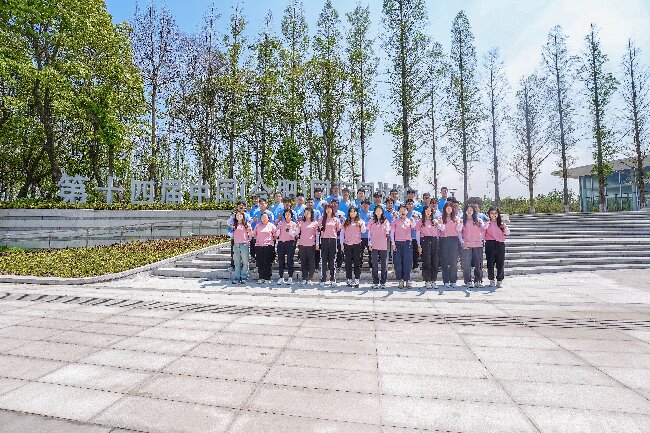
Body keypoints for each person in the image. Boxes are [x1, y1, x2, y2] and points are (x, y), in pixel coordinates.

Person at [416, 206, 444, 289]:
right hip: (425, 240)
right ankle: (427, 280)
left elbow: (442, 229)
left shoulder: (434, 221)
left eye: (430, 211)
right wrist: (419, 245)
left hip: (434, 240)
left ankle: (433, 280)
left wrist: (441, 223)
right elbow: (417, 234)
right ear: (424, 211)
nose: (428, 212)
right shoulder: (420, 222)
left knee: (435, 261)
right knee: (427, 261)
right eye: (427, 211)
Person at [459, 204, 487, 288]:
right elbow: (459, 232)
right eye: (467, 210)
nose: (469, 211)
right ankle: (468, 281)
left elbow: (484, 227)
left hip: (478, 244)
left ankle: (478, 280)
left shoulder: (478, 220)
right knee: (466, 264)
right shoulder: (462, 220)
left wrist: (488, 221)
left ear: (473, 211)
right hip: (466, 244)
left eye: (471, 210)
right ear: (465, 211)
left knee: (478, 264)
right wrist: (462, 243)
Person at [340, 206, 367, 288]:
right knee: (348, 262)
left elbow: (364, 231)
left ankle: (357, 279)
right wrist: (341, 244)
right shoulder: (345, 221)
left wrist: (362, 224)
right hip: (347, 244)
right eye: (351, 211)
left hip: (357, 244)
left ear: (357, 213)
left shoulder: (360, 221)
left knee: (357, 262)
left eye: (354, 211)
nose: (352, 213)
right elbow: (342, 233)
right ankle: (349, 279)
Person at [391, 205, 416, 288]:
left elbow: (414, 227)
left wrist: (413, 221)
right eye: (401, 210)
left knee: (407, 262)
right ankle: (400, 280)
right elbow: (392, 233)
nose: (403, 212)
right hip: (398, 243)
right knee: (398, 262)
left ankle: (407, 280)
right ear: (398, 212)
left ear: (407, 212)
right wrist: (393, 243)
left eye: (404, 210)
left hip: (407, 243)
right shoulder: (395, 221)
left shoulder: (409, 220)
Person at [485, 206, 510, 288]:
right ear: (489, 214)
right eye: (492, 213)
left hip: (500, 244)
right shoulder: (487, 222)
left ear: (498, 214)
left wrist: (505, 226)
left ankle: (499, 280)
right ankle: (491, 280)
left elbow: (508, 233)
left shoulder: (501, 223)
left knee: (500, 263)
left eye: (495, 213)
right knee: (490, 263)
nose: (494, 215)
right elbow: (483, 229)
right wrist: (487, 222)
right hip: (490, 244)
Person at [439, 202, 462, 288]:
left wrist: (460, 223)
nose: (449, 209)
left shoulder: (456, 218)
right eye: (447, 208)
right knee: (444, 261)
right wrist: (441, 223)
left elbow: (458, 230)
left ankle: (453, 281)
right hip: (444, 240)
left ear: (453, 209)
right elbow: (442, 229)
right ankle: (446, 281)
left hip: (454, 240)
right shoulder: (441, 218)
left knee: (453, 261)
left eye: (450, 208)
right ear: (444, 209)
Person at [367, 205, 390, 289]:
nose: (378, 212)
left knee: (384, 264)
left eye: (380, 210)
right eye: (377, 210)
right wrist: (369, 243)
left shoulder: (385, 221)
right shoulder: (371, 221)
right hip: (374, 244)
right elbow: (369, 233)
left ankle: (383, 282)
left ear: (382, 211)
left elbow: (388, 231)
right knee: (374, 264)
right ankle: (375, 282)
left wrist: (386, 228)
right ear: (374, 212)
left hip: (383, 245)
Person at [319, 204, 341, 286]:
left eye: (330, 209)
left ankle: (332, 278)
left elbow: (339, 230)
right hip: (324, 240)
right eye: (327, 209)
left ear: (332, 210)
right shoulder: (322, 219)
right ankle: (323, 278)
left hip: (332, 240)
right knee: (324, 259)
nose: (328, 210)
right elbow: (319, 230)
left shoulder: (335, 219)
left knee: (332, 259)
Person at [275, 209, 299, 285]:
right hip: (281, 243)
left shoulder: (294, 224)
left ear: (291, 215)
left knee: (290, 260)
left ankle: (290, 277)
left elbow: (294, 235)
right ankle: (281, 277)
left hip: (290, 243)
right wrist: (279, 228)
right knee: (281, 260)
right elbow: (277, 234)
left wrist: (290, 229)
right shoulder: (281, 223)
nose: (287, 216)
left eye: (289, 214)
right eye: (286, 214)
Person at [296, 207, 319, 286]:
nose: (306, 214)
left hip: (311, 245)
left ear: (311, 213)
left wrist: (317, 244)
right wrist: (297, 227)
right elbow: (296, 233)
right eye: (305, 212)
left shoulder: (315, 223)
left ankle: (310, 278)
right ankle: (304, 278)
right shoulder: (301, 222)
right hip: (302, 244)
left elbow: (317, 234)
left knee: (311, 262)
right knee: (303, 262)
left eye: (308, 212)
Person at [252, 212, 276, 284]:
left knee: (267, 262)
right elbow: (253, 234)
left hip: (268, 246)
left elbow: (275, 236)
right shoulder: (257, 226)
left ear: (268, 218)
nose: (264, 219)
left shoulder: (272, 226)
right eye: (262, 217)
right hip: (259, 246)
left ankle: (267, 278)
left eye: (265, 217)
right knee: (260, 262)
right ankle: (261, 277)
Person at [230, 210, 253, 284]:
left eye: (240, 215)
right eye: (237, 215)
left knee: (245, 262)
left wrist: (250, 232)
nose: (239, 216)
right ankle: (237, 277)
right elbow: (230, 234)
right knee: (237, 262)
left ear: (243, 216)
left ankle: (244, 277)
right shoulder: (234, 225)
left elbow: (251, 234)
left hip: (244, 244)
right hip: (236, 244)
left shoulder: (246, 224)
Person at [227, 201, 251, 269]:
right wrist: (232, 226)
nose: (241, 207)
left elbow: (249, 223)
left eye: (242, 205)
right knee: (234, 253)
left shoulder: (247, 215)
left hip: (244, 239)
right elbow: (228, 222)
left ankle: (243, 268)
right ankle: (233, 266)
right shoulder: (234, 215)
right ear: (237, 207)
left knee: (244, 255)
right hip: (235, 238)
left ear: (244, 207)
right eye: (239, 205)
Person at [330, 198, 346, 272]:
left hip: (339, 236)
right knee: (331, 252)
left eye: (335, 203)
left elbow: (345, 223)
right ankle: (331, 266)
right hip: (331, 235)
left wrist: (342, 217)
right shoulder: (328, 213)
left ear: (338, 205)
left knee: (340, 252)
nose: (334, 205)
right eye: (332, 203)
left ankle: (339, 266)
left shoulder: (341, 213)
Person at [406, 198, 421, 270]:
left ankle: (415, 266)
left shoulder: (417, 213)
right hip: (407, 236)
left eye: (411, 204)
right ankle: (408, 266)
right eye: (409, 204)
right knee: (408, 253)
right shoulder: (404, 213)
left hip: (415, 236)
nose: (410, 205)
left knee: (415, 252)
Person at [358, 199, 373, 269]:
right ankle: (359, 266)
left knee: (371, 252)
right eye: (364, 205)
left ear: (369, 206)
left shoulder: (372, 214)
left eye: (367, 205)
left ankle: (371, 266)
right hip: (360, 236)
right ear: (361, 206)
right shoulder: (358, 214)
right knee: (360, 253)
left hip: (370, 237)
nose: (365, 206)